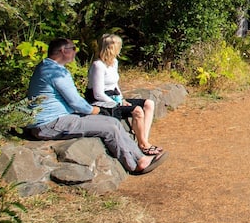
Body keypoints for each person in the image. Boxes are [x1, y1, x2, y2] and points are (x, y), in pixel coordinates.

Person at [26, 38, 166, 174]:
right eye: (73, 49)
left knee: (112, 122)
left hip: (57, 119)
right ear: (63, 51)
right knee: (109, 127)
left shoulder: (48, 67)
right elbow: (75, 101)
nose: (76, 52)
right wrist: (93, 110)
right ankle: (133, 164)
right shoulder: (55, 72)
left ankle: (140, 158)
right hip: (50, 123)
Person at [86, 33, 162, 155]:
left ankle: (143, 140)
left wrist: (121, 99)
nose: (120, 49)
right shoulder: (98, 66)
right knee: (137, 110)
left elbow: (115, 84)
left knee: (149, 104)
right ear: (111, 48)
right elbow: (98, 94)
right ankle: (143, 145)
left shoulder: (113, 62)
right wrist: (117, 103)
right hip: (101, 102)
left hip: (114, 98)